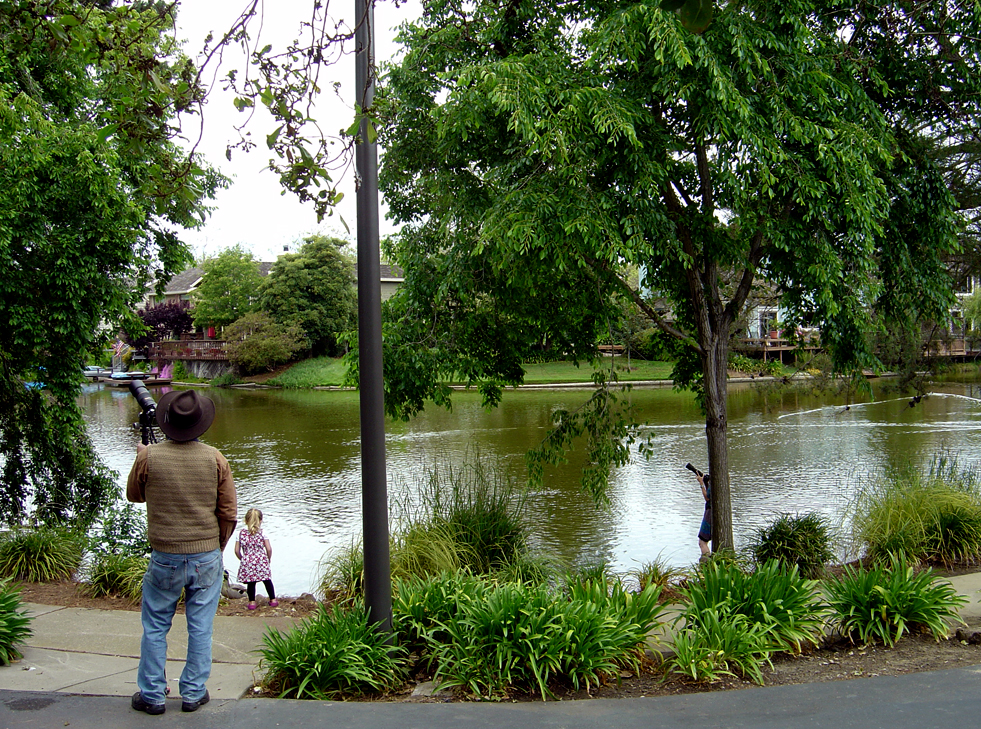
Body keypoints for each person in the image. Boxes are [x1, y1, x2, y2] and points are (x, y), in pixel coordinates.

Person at [126, 389, 237, 716]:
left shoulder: (150, 456)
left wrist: (141, 458)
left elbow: (134, 495)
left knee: (156, 625)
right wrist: (216, 548)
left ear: (167, 422)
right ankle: (193, 692)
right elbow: (228, 512)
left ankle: (153, 695)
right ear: (200, 424)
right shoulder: (216, 458)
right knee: (201, 626)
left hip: (165, 556)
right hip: (205, 555)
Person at [234, 508, 277, 610]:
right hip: (261, 560)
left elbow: (236, 550)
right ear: (260, 521)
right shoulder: (263, 533)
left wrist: (242, 559)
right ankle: (273, 600)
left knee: (251, 582)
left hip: (247, 561)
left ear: (246, 521)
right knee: (267, 580)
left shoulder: (240, 534)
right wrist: (268, 558)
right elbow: (269, 548)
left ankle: (252, 602)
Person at [697, 472, 712, 559]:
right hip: (711, 513)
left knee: (702, 541)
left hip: (709, 514)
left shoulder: (714, 483)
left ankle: (706, 563)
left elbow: (707, 498)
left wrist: (701, 484)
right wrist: (706, 483)